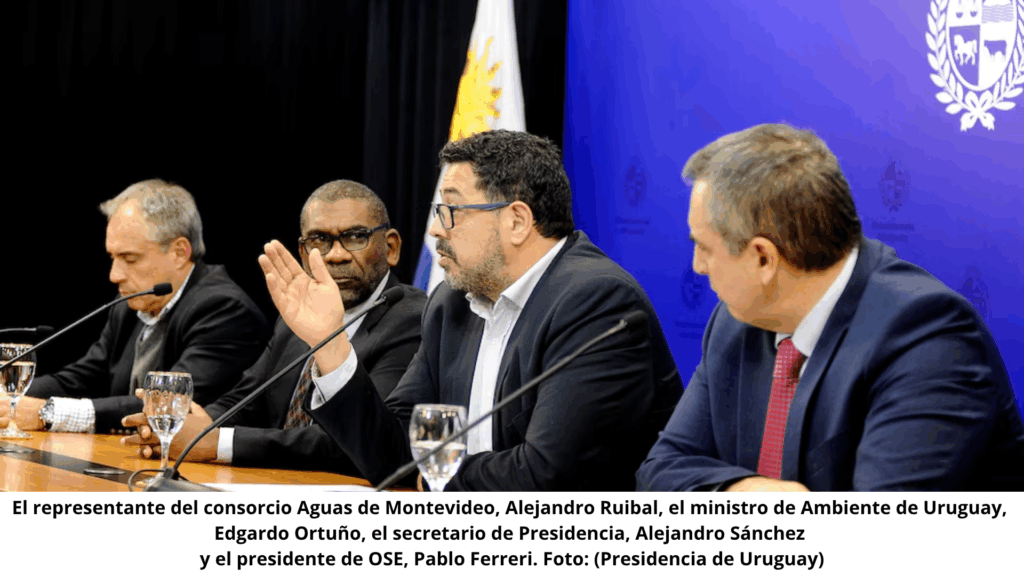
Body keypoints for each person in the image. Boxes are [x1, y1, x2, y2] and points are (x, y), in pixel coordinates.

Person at [259, 130, 683, 491]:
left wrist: (431, 478)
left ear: (516, 221)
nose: (435, 230)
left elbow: (547, 477)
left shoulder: (595, 302)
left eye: (451, 211)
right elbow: (393, 451)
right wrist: (330, 345)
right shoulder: (452, 304)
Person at [636, 124, 1024, 491]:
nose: (698, 266)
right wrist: (743, 490)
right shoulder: (736, 321)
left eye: (704, 248)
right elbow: (661, 469)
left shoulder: (927, 338)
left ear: (763, 258)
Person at [121, 180, 426, 472]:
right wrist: (184, 427)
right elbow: (246, 400)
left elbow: (363, 440)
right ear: (303, 253)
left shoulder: (413, 320)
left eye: (356, 237)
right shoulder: (297, 318)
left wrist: (218, 443)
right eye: (319, 241)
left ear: (391, 248)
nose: (336, 255)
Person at [5, 180, 270, 435]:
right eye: (112, 257)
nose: (114, 275)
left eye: (129, 258)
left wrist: (49, 413)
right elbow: (81, 378)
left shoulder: (224, 309)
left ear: (180, 252)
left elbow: (170, 401)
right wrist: (9, 396)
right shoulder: (131, 305)